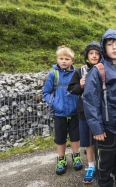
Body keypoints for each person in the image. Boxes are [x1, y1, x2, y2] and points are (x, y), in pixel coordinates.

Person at [82, 28, 116, 187]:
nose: (114, 47)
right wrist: (96, 128)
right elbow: (90, 100)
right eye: (110, 44)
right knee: (105, 160)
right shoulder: (98, 70)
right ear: (104, 47)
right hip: (106, 127)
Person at [43, 45, 82, 175]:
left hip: (74, 112)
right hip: (59, 113)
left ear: (72, 61)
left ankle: (76, 156)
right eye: (61, 58)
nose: (64, 61)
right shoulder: (53, 74)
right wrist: (54, 103)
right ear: (57, 59)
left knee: (75, 137)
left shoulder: (77, 73)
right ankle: (61, 159)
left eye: (67, 59)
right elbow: (46, 93)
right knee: (60, 138)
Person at [67, 41, 102, 183]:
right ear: (86, 56)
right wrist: (80, 85)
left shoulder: (104, 69)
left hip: (101, 111)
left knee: (102, 141)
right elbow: (71, 88)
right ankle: (91, 166)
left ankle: (102, 168)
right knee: (88, 141)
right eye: (91, 53)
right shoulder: (80, 71)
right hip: (84, 112)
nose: (94, 56)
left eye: (97, 53)